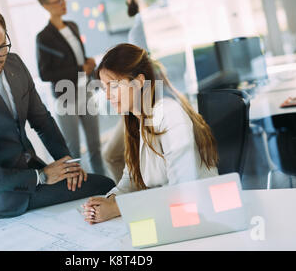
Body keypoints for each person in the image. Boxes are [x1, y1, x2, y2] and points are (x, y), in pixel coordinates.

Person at [0, 5, 115, 220]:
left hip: (34, 173)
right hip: (2, 197)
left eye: (0, 48)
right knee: (103, 185)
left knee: (102, 186)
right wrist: (41, 176)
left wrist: (67, 163)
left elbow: (42, 120)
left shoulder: (14, 64)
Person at [81, 43, 219, 224]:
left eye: (113, 86)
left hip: (200, 215)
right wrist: (109, 200)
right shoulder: (137, 120)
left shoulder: (170, 116)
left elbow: (182, 191)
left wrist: (117, 208)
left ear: (138, 82)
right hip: (169, 216)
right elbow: (131, 177)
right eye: (104, 88)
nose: (107, 96)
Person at [35, 0, 106, 176]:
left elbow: (76, 59)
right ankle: (80, 189)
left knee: (95, 146)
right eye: (57, 1)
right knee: (73, 151)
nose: (62, 3)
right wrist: (79, 68)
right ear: (46, 6)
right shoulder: (44, 37)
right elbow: (45, 73)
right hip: (66, 97)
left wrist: (88, 64)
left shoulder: (73, 26)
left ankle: (105, 185)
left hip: (86, 91)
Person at [102, 0, 149, 183]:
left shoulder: (139, 29)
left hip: (142, 101)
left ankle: (139, 194)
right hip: (141, 101)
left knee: (111, 154)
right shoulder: (143, 24)